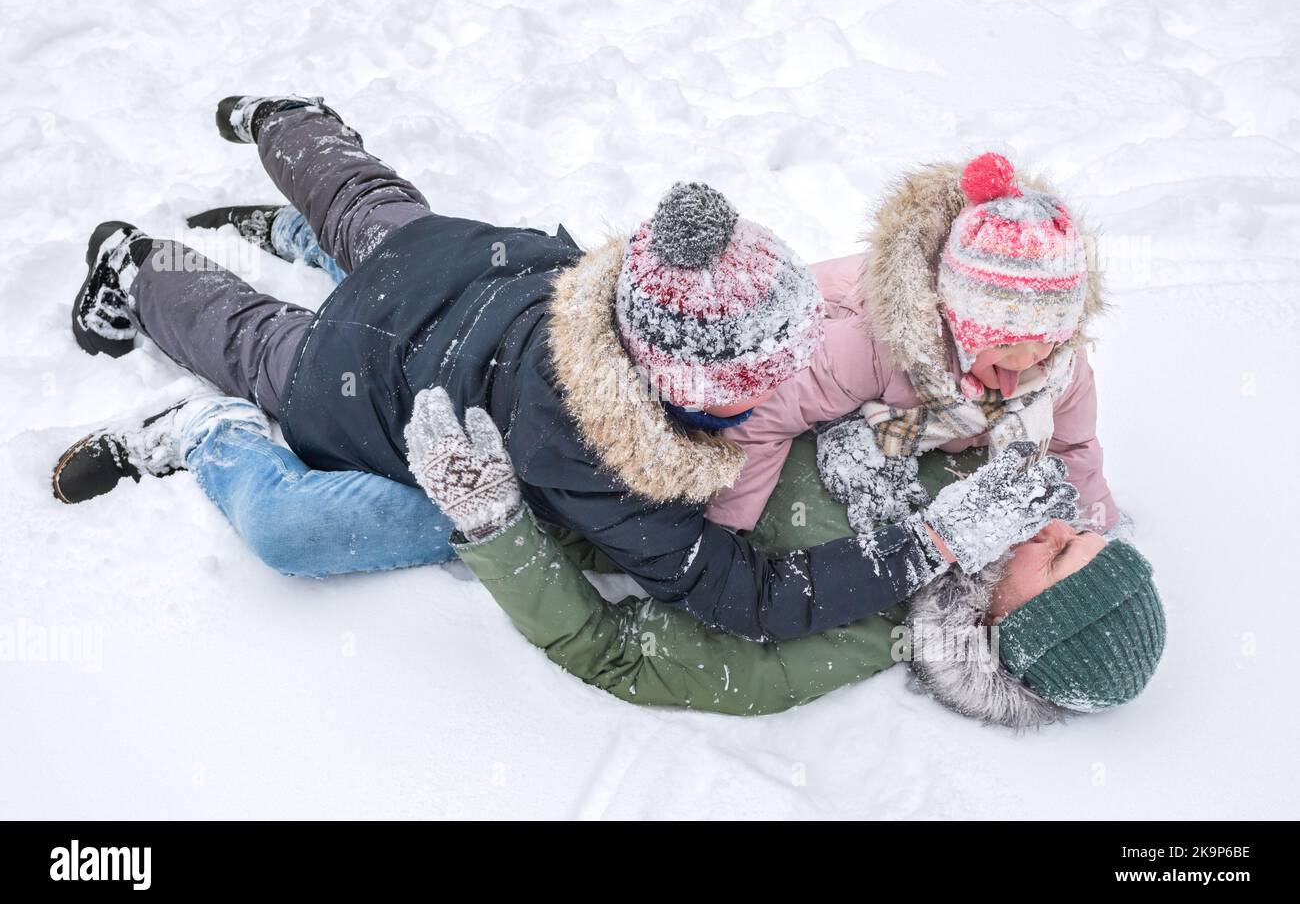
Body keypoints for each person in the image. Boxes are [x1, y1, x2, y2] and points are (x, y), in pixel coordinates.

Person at [53, 95, 1078, 642]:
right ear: (686, 384)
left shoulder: (629, 300)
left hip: (470, 268)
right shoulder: (606, 455)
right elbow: (742, 596)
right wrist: (919, 547)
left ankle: (285, 125)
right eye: (760, 376)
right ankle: (138, 268)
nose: (782, 389)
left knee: (373, 215)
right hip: (358, 376)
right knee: (255, 339)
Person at [401, 391, 1164, 725]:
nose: (1042, 530)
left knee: (305, 517)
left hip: (531, 480)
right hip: (601, 366)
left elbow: (614, 655)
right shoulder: (983, 484)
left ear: (1016, 631)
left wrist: (495, 521)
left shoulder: (838, 640)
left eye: (1057, 555)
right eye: (1070, 530)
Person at [709, 153, 1124, 537]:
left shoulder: (1060, 365)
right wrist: (727, 531)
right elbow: (764, 415)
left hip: (916, 420)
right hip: (776, 369)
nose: (1028, 359)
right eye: (1006, 342)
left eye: (1047, 339)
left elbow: (1073, 446)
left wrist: (1095, 529)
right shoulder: (875, 344)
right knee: (821, 515)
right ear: (958, 319)